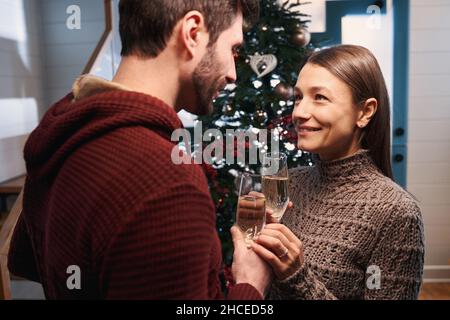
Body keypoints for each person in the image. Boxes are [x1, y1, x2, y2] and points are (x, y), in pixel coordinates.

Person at [8, 0, 272, 299]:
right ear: (193, 32)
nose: (234, 72)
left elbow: (27, 261)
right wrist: (250, 286)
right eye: (233, 49)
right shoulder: (166, 181)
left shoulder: (66, 127)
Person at [251, 45, 425, 300]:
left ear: (364, 112)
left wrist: (298, 277)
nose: (299, 112)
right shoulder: (289, 183)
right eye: (298, 97)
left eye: (319, 97)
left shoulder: (396, 213)